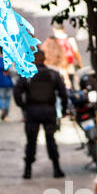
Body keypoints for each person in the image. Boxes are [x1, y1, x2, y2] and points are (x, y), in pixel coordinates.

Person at [13, 49, 69, 180]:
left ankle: (28, 170)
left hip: (33, 110)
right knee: (51, 140)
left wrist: (23, 106)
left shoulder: (26, 75)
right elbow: (63, 93)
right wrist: (64, 109)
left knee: (31, 141)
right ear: (44, 59)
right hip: (48, 110)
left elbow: (17, 92)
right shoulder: (53, 74)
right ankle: (56, 168)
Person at [41, 20, 83, 91]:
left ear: (54, 29)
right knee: (69, 90)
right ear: (63, 28)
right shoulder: (70, 39)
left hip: (54, 69)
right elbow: (76, 54)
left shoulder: (51, 41)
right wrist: (79, 65)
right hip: (70, 69)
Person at [0, 47, 14, 120]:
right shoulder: (10, 60)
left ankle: (3, 109)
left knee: (1, 98)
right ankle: (6, 115)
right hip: (9, 82)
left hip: (0, 82)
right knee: (8, 98)